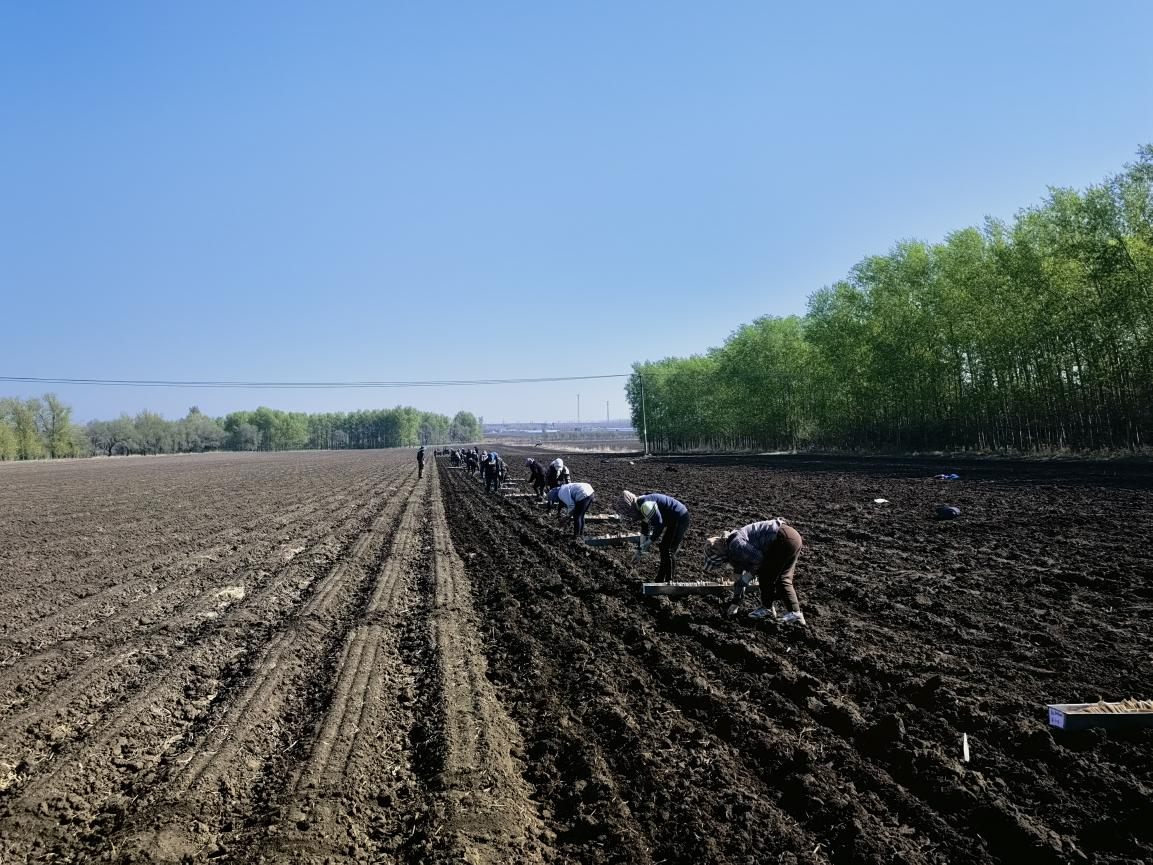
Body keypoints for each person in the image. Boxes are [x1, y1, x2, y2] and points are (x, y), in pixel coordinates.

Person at [704, 519, 806, 625]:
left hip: (782, 539)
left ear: (722, 555)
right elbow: (739, 581)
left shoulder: (736, 545)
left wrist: (749, 575)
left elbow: (759, 559)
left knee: (766, 575)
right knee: (782, 578)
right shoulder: (732, 547)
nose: (724, 564)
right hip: (792, 537)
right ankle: (793, 613)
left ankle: (770, 609)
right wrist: (735, 602)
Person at [616, 490, 691, 583]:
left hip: (680, 517)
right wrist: (638, 552)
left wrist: (650, 541)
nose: (630, 516)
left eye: (629, 512)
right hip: (671, 520)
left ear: (630, 506)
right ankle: (659, 580)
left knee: (668, 550)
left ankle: (669, 581)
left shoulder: (645, 506)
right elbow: (645, 531)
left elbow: (659, 524)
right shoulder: (640, 507)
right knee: (663, 547)